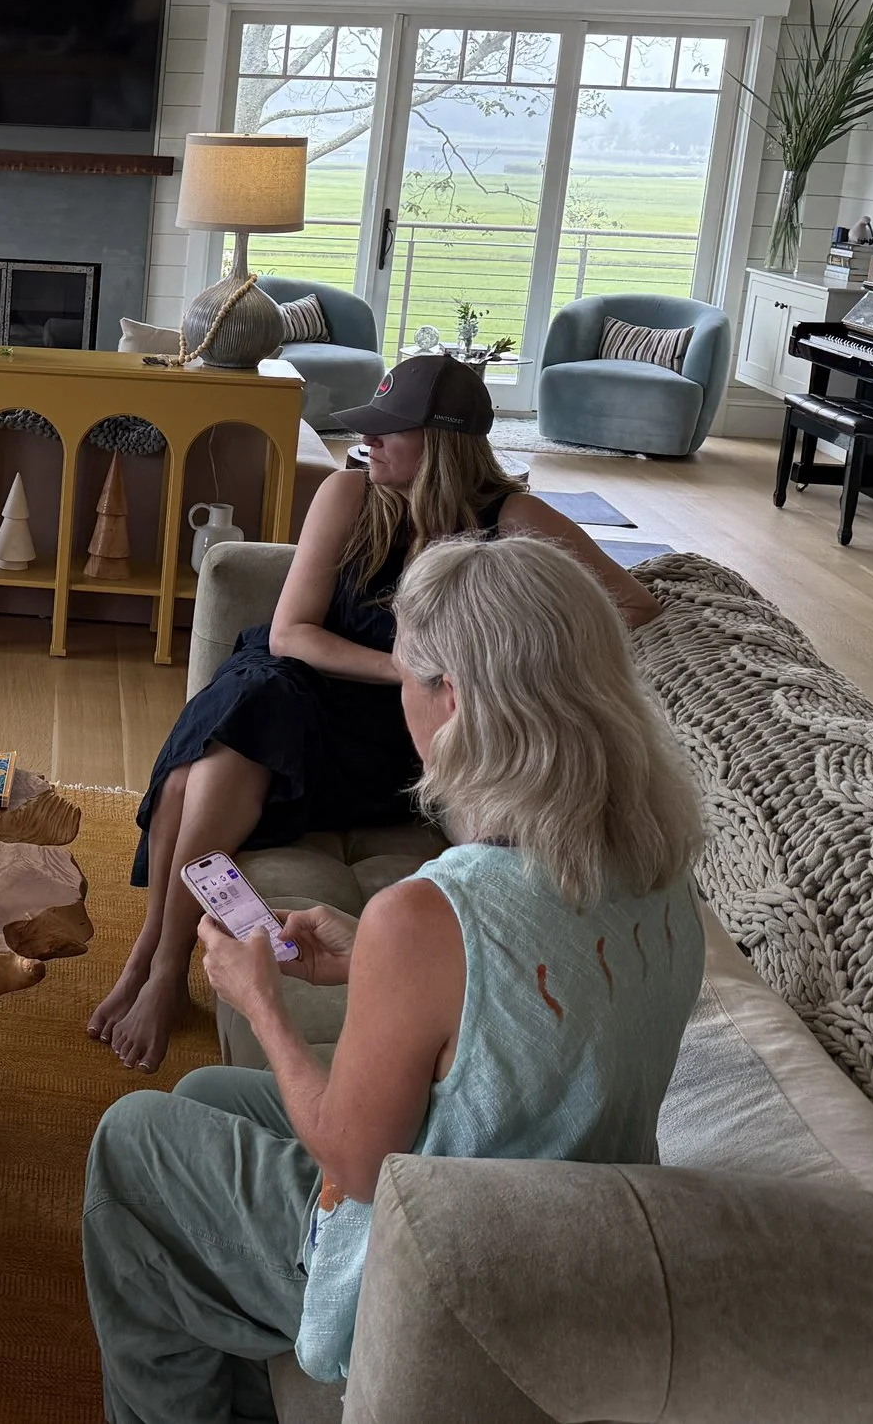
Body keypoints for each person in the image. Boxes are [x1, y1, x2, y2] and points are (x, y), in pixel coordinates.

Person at [81, 533, 706, 1421]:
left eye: (408, 674)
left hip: (447, 1270)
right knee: (208, 1092)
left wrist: (262, 1000)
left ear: (452, 698)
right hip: (568, 1220)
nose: (400, 696)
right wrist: (366, 953)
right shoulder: (656, 861)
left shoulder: (435, 910)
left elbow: (358, 1163)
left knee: (132, 1138)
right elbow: (509, 1016)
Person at [90, 354, 660, 1071]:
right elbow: (290, 632)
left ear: (444, 441)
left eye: (394, 430)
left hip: (389, 737)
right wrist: (409, 667)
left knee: (192, 777)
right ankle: (161, 962)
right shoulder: (348, 493)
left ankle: (156, 956)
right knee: (249, 710)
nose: (373, 442)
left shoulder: (509, 519)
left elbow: (632, 603)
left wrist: (502, 656)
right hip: (300, 684)